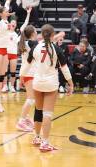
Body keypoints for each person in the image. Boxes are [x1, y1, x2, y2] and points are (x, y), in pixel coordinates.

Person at [25, 24, 74, 152]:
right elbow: (64, 68)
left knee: (38, 110)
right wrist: (71, 83)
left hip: (37, 83)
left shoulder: (36, 47)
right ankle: (45, 143)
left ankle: (36, 137)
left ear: (42, 34)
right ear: (53, 36)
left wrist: (21, 77)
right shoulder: (56, 49)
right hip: (51, 83)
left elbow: (27, 64)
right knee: (47, 113)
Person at [2, 8, 31, 93]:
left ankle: (11, 86)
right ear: (9, 24)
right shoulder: (5, 32)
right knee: (5, 71)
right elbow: (3, 20)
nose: (14, 24)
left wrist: (28, 13)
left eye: (15, 23)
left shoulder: (18, 33)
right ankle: (4, 86)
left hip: (14, 54)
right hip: (6, 53)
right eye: (12, 23)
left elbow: (26, 23)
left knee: (13, 72)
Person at [17, 25, 38, 132]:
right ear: (33, 33)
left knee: (31, 99)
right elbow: (45, 42)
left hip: (28, 73)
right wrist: (56, 36)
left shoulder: (26, 43)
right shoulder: (31, 43)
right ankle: (21, 121)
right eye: (36, 31)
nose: (37, 32)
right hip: (29, 73)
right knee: (31, 99)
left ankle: (26, 118)